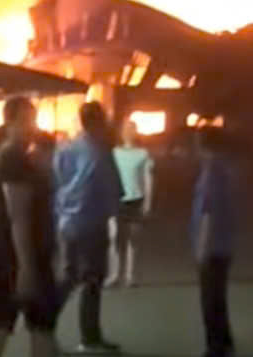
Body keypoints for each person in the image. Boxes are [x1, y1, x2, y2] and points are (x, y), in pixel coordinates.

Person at [0, 97, 59, 357]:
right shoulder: (12, 158)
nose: (32, 126)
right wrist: (26, 267)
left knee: (21, 324)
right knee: (10, 325)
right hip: (14, 256)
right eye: (27, 121)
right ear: (11, 122)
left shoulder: (17, 156)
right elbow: (18, 216)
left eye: (33, 120)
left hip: (15, 253)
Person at [55, 102, 122, 354]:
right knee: (92, 279)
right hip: (92, 222)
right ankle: (90, 336)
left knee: (69, 275)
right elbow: (111, 188)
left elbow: (58, 181)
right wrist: (116, 215)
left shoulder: (66, 149)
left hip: (67, 221)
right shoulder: (101, 152)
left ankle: (43, 323)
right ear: (99, 121)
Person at [191, 127, 238, 357]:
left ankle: (215, 346)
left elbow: (207, 211)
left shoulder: (211, 172)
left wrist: (201, 246)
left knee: (209, 299)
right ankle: (225, 341)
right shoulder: (225, 169)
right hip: (225, 242)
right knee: (218, 296)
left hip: (212, 245)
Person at [106, 120, 154, 289]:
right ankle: (114, 274)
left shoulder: (143, 154)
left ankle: (130, 275)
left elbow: (148, 179)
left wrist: (147, 201)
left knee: (133, 239)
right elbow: (109, 177)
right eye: (126, 129)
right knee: (115, 239)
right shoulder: (114, 153)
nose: (129, 132)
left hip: (136, 200)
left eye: (132, 129)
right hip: (116, 200)